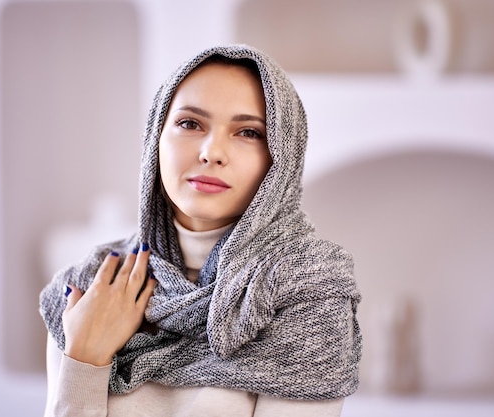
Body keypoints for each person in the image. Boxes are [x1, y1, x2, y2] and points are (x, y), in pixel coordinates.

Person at [40, 44, 362, 417]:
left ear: (282, 157)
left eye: (247, 132)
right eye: (190, 124)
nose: (212, 152)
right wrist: (84, 359)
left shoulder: (305, 290)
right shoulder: (92, 285)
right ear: (155, 140)